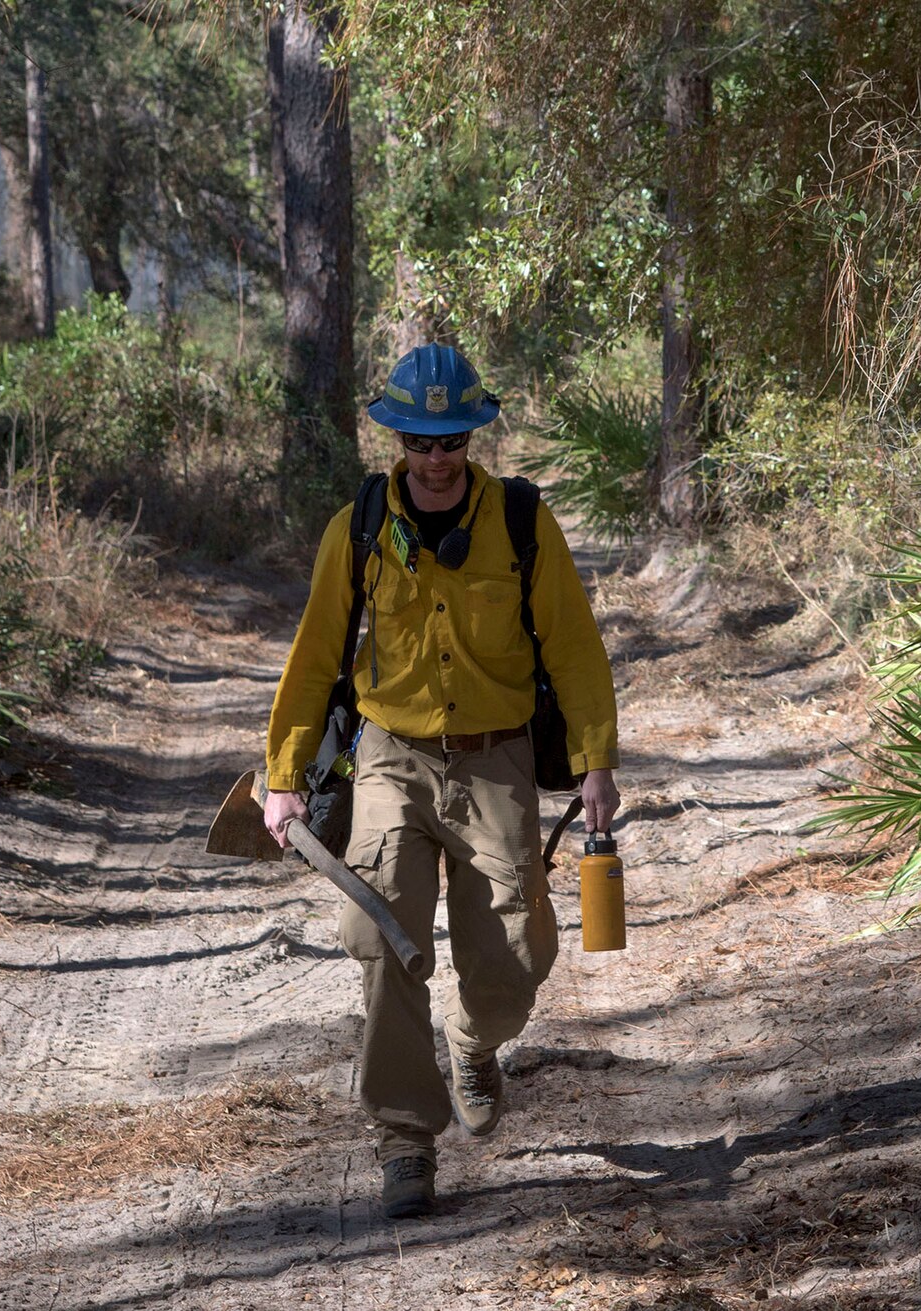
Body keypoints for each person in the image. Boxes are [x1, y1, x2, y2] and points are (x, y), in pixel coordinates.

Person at [261, 343, 620, 1219]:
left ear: (471, 438)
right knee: (381, 936)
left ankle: (470, 1040)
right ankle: (404, 1140)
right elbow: (313, 659)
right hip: (391, 756)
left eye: (451, 440)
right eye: (420, 441)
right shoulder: (356, 529)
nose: (435, 459)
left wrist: (597, 762)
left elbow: (573, 650)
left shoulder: (524, 523)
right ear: (395, 438)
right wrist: (283, 777)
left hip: (496, 759)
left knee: (517, 964)